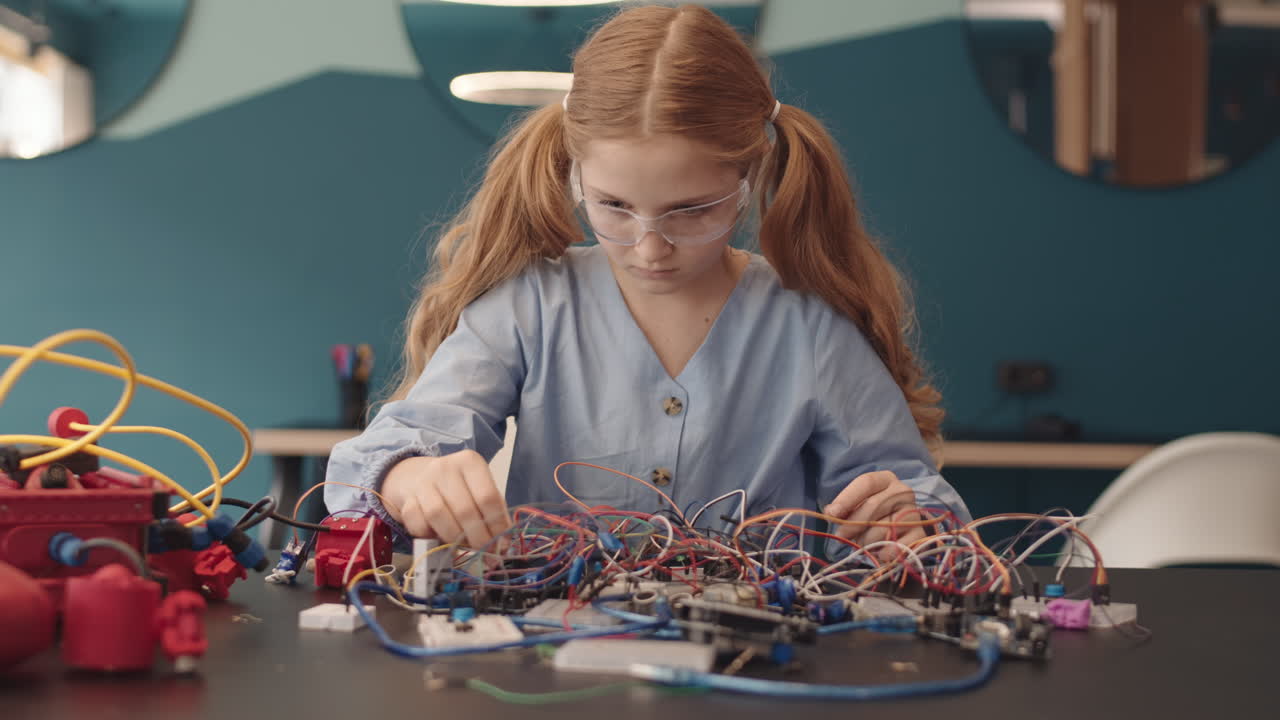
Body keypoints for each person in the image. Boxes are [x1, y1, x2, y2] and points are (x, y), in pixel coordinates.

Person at [325, 3, 970, 556]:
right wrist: (404, 476)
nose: (650, 246)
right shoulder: (529, 305)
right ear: (574, 172)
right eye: (613, 207)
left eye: (691, 211)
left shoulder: (809, 323)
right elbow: (386, 453)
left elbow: (922, 508)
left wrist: (910, 525)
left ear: (750, 179)